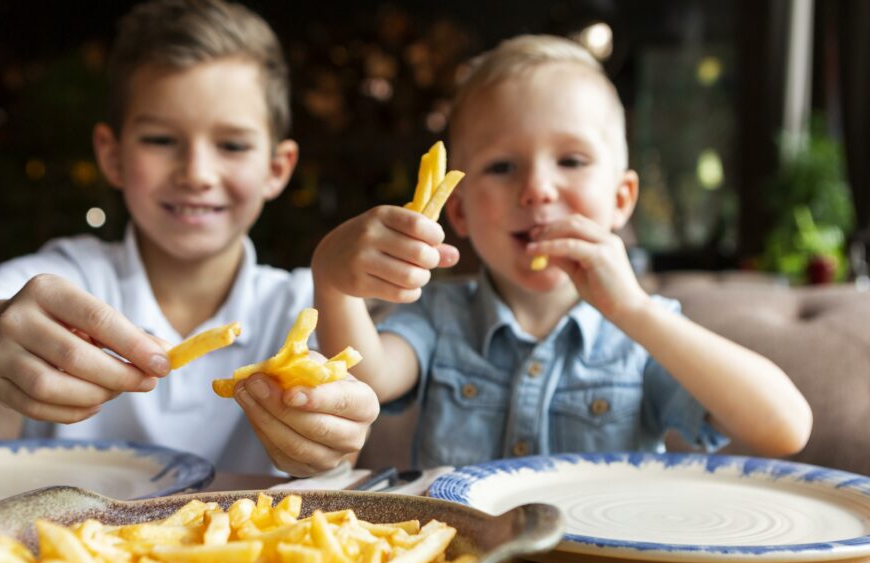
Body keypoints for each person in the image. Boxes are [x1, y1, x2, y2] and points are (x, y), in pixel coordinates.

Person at [0, 0, 379, 476]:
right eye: (160, 140)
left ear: (276, 167)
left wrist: (334, 436)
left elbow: (355, 436)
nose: (196, 172)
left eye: (231, 144)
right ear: (112, 155)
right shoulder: (66, 280)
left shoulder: (306, 305)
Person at [312, 34, 812, 469]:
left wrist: (634, 310)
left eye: (571, 160)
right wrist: (333, 283)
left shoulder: (642, 334)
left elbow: (785, 428)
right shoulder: (440, 319)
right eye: (503, 167)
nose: (538, 190)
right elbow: (367, 382)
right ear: (459, 213)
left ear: (621, 200)